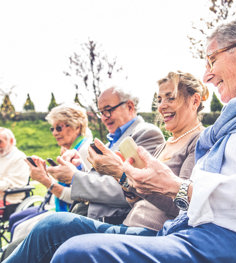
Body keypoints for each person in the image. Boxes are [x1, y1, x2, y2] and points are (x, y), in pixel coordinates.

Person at [47, 15, 236, 262]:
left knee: (72, 248)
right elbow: (157, 196)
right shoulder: (227, 126)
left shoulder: (204, 137)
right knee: (52, 228)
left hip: (211, 236)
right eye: (159, 99)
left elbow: (188, 199)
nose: (207, 76)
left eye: (212, 60)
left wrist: (157, 182)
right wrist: (128, 180)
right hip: (185, 230)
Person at [1, 71, 208, 263]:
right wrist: (124, 178)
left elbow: (183, 205)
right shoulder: (166, 143)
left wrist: (120, 173)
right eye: (159, 99)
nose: (162, 106)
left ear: (194, 100)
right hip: (129, 223)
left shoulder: (196, 141)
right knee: (38, 228)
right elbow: (135, 196)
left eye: (170, 98)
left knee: (51, 227)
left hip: (151, 232)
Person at [46, 86, 165, 223]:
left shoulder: (146, 133)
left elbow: (132, 189)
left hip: (110, 221)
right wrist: (80, 169)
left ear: (130, 107)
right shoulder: (110, 142)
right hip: (88, 215)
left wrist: (74, 177)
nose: (104, 118)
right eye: (101, 112)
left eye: (108, 110)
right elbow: (104, 179)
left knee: (46, 227)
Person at [28, 103, 93, 212]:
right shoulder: (72, 149)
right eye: (52, 129)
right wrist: (45, 172)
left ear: (77, 127)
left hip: (76, 214)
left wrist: (45, 181)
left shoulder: (85, 151)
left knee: (19, 225)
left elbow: (83, 197)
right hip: (58, 208)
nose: (54, 133)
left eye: (58, 128)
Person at [0, 128, 30, 214]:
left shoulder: (19, 158)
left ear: (11, 141)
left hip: (10, 199)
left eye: (0, 142)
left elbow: (10, 183)